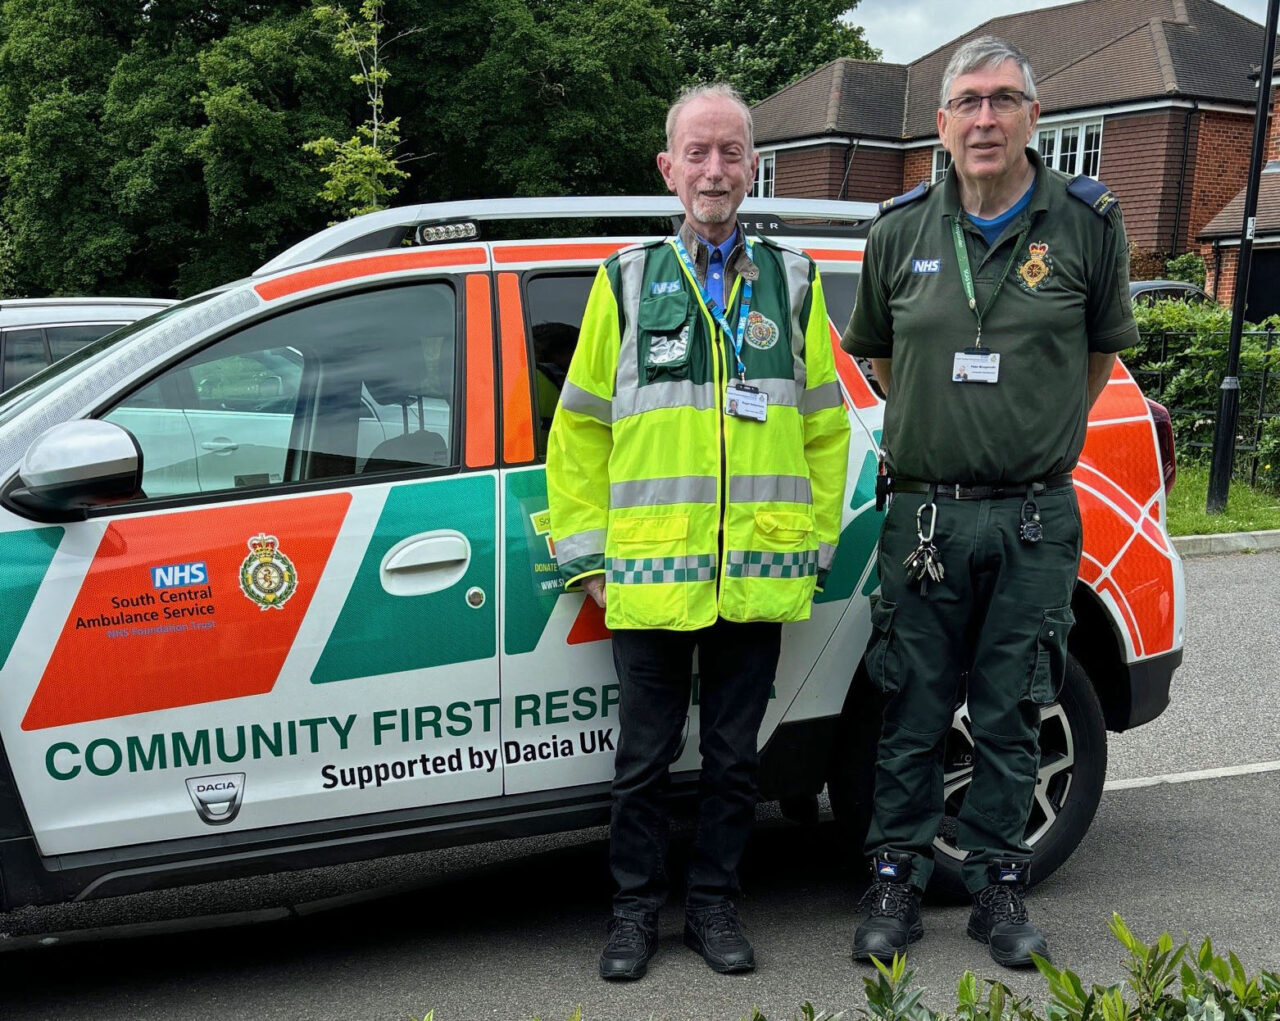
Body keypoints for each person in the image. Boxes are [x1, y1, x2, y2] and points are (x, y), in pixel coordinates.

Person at [842, 36, 1137, 969]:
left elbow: (1093, 366)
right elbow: (884, 361)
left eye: (1003, 100)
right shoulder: (897, 231)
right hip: (926, 515)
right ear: (940, 122)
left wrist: (1021, 443)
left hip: (1034, 518)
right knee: (912, 704)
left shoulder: (1088, 224)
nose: (984, 119)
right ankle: (894, 878)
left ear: (1032, 117)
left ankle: (999, 884)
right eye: (967, 101)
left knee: (1015, 701)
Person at [547, 82, 850, 981]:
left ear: (751, 167)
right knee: (641, 762)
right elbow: (580, 430)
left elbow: (827, 425)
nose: (714, 170)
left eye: (730, 153)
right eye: (698, 153)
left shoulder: (793, 285)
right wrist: (586, 558)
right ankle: (635, 914)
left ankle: (714, 908)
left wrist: (815, 542)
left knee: (731, 761)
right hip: (646, 577)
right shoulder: (626, 281)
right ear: (668, 169)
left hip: (756, 571)